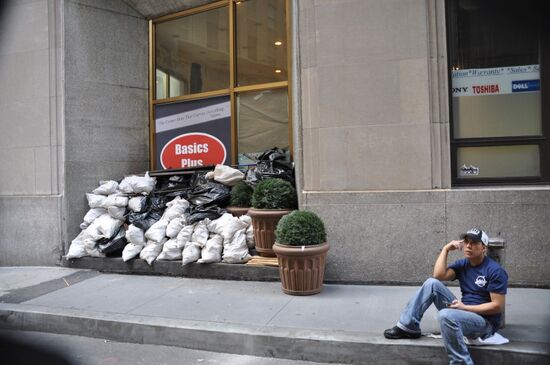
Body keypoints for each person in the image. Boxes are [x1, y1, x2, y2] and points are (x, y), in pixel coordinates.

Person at [383, 228, 508, 365]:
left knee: (445, 315)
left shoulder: (495, 270)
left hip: (484, 323)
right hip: (463, 311)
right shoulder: (463, 265)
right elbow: (439, 275)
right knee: (432, 283)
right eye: (466, 242)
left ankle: (461, 362)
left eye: (474, 243)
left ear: (483, 247)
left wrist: (466, 307)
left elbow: (497, 307)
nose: (468, 246)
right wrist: (446, 249)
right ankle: (408, 327)